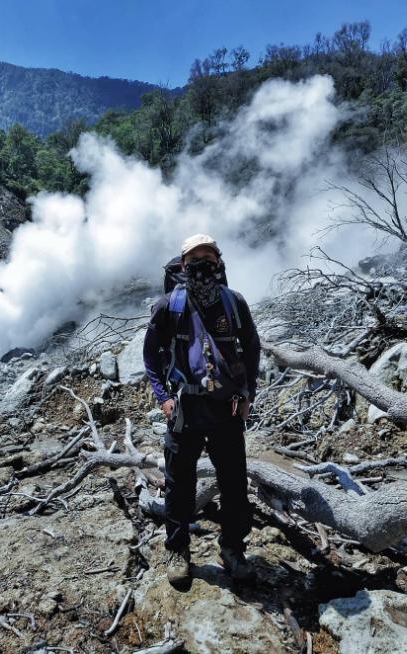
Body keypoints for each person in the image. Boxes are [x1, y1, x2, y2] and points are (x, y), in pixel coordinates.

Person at [143, 233, 261, 586]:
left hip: (227, 408)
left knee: (234, 483)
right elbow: (150, 356)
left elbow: (252, 348)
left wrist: (248, 393)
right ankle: (177, 551)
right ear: (183, 265)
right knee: (179, 484)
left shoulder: (234, 302)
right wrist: (163, 396)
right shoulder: (169, 307)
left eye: (209, 258)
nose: (203, 265)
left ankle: (233, 549)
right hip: (185, 407)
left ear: (219, 263)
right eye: (196, 259)